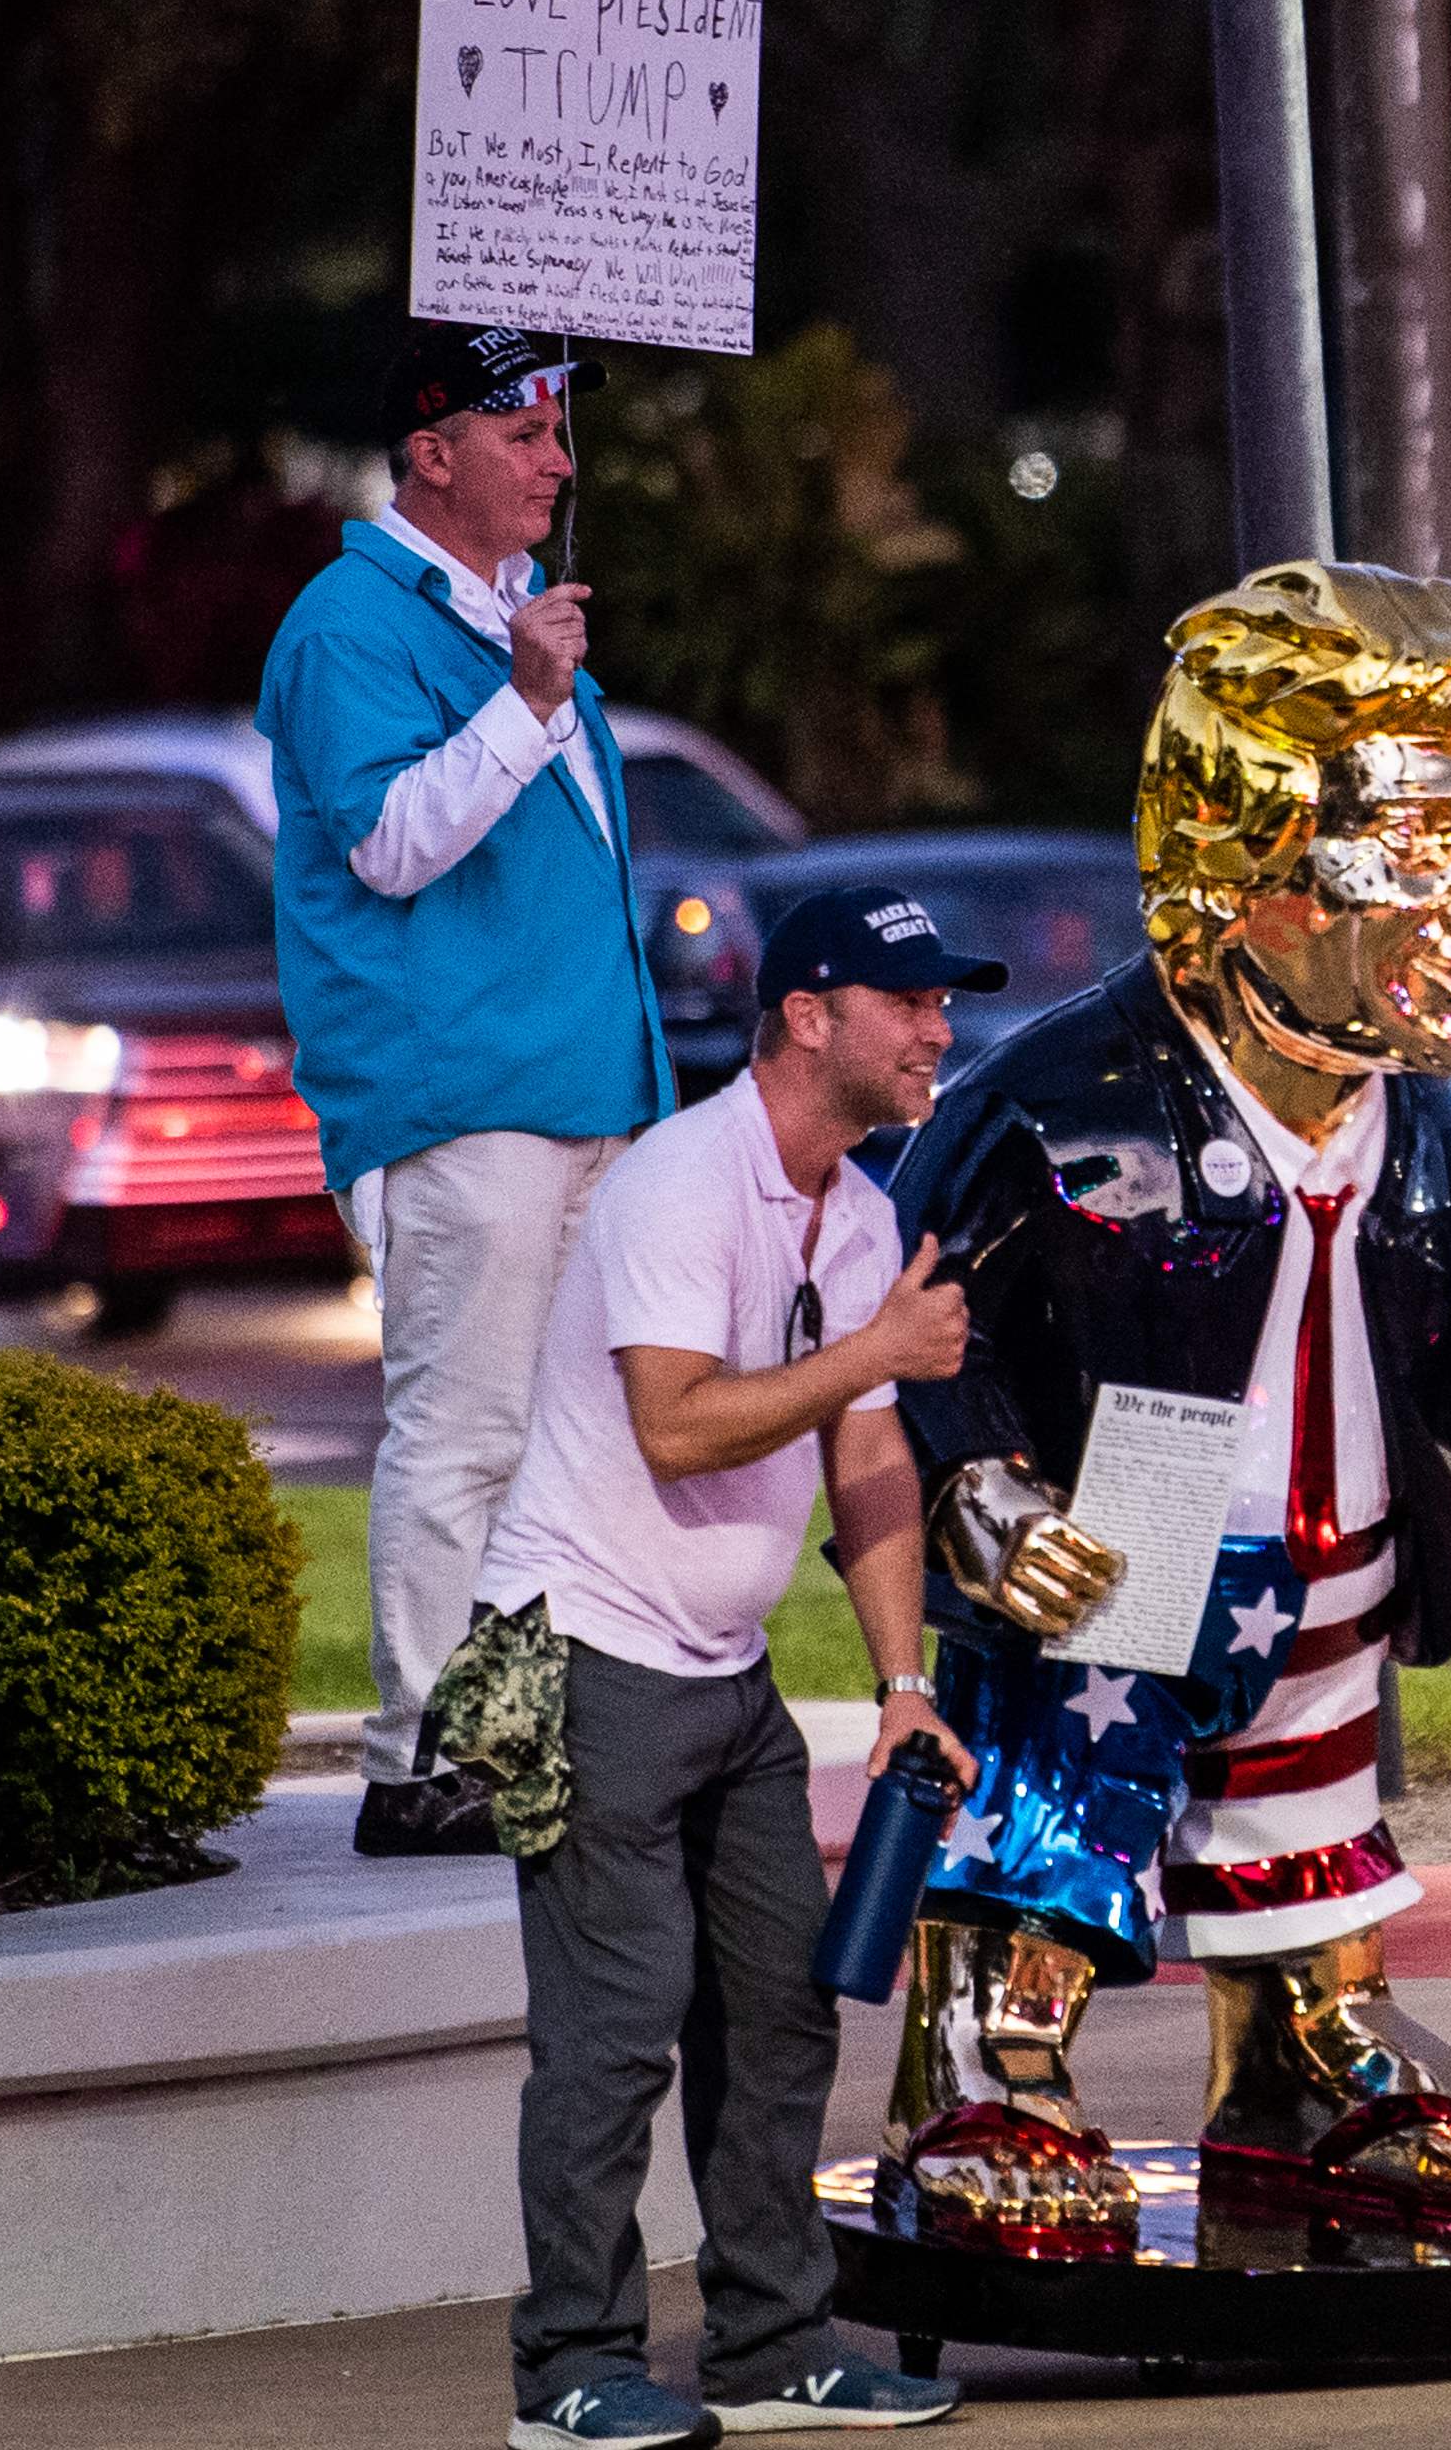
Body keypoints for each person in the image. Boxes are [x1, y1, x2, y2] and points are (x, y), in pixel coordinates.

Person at [881, 563, 1451, 2254]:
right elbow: (907, 1320)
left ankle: (1306, 2051)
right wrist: (981, 1484)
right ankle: (997, 2066)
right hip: (1145, 1496)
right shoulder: (1063, 1103)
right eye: (1422, 854)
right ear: (1247, 873)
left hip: (1341, 1540)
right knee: (1069, 1785)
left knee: (1307, 1801)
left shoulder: (1436, 1136)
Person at [460, 886, 990, 2446]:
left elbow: (870, 1463)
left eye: (944, 1003)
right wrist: (875, 1357)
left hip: (724, 1672)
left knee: (780, 2012)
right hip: (585, 1649)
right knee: (618, 2023)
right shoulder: (683, 1183)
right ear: (809, 1017)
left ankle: (771, 2345)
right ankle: (568, 2370)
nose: (939, 1031)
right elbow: (678, 1421)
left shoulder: (863, 1209)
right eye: (909, 1003)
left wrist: (905, 1687)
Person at [261, 319, 673, 1856]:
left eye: (562, 433)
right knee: (466, 1427)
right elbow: (387, 846)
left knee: (561, 1432)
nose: (559, 463)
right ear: (431, 453)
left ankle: (513, 1737)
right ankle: (420, 1755)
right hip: (457, 1096)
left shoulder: (510, 619)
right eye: (528, 433)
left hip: (571, 1085)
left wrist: (530, 684)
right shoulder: (348, 627)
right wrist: (525, 701)